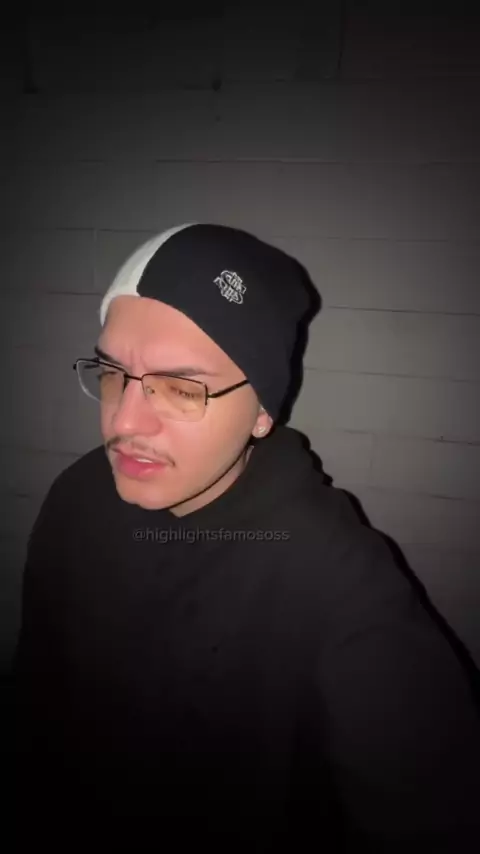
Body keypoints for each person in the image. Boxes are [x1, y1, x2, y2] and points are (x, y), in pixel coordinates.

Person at [13, 223, 480, 851]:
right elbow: (37, 706)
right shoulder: (77, 496)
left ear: (262, 411)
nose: (125, 422)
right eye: (112, 373)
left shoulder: (339, 580)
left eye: (182, 389)